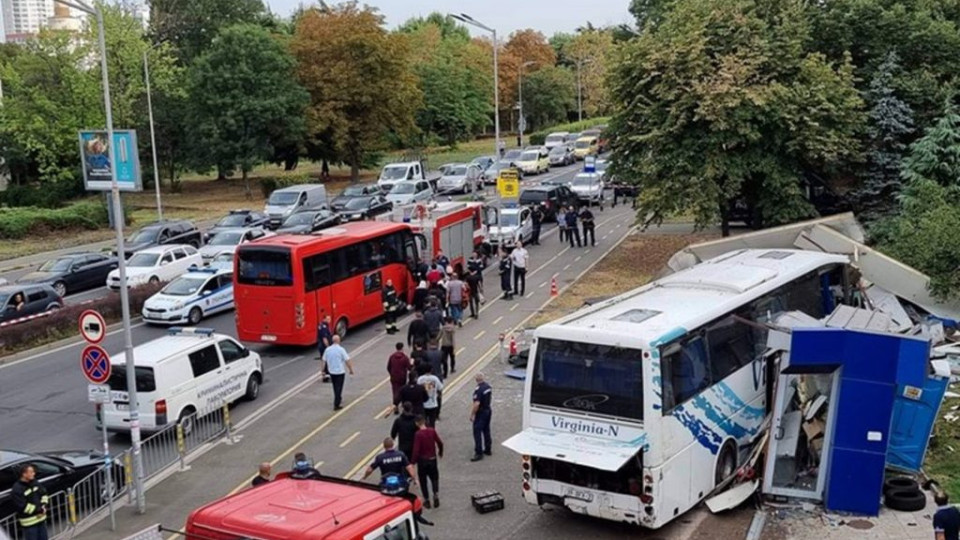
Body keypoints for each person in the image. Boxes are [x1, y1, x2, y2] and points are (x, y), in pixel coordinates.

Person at [411, 416, 444, 509]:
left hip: (422, 461)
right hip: (432, 459)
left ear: (417, 423)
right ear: (424, 421)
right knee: (434, 478)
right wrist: (440, 452)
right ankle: (436, 494)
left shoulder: (418, 434)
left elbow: (416, 450)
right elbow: (440, 442)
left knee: (423, 480)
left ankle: (427, 500)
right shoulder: (432, 431)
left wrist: (412, 462)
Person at [12, 464, 48, 540]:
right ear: (24, 474)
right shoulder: (17, 489)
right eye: (31, 472)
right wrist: (40, 510)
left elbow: (43, 493)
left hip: (41, 519)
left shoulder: (34, 482)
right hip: (29, 523)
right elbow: (23, 506)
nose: (34, 474)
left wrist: (44, 505)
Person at [321, 335, 354, 410]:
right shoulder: (341, 349)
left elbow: (323, 360)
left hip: (331, 372)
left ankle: (338, 398)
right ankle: (337, 403)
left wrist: (323, 370)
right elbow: (347, 360)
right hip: (340, 372)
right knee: (339, 387)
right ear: (338, 341)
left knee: (335, 386)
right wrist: (350, 369)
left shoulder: (328, 349)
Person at [470, 373, 493, 462]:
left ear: (476, 379)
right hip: (488, 410)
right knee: (486, 429)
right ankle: (488, 448)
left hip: (481, 412)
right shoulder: (488, 387)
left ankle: (478, 452)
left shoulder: (478, 390)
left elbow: (477, 404)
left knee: (477, 431)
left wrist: (472, 414)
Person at [388, 343, 411, 414]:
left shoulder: (392, 357)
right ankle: (404, 406)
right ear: (402, 348)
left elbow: (388, 367)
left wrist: (391, 373)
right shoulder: (405, 357)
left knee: (395, 391)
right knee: (402, 391)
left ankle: (395, 406)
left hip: (394, 377)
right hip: (402, 377)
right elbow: (409, 367)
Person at [317, 315, 333, 382]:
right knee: (325, 361)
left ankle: (325, 375)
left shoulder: (322, 325)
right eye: (328, 319)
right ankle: (325, 376)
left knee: (324, 360)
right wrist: (328, 347)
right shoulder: (324, 327)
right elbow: (324, 338)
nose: (329, 320)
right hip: (324, 346)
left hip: (322, 346)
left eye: (330, 318)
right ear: (324, 319)